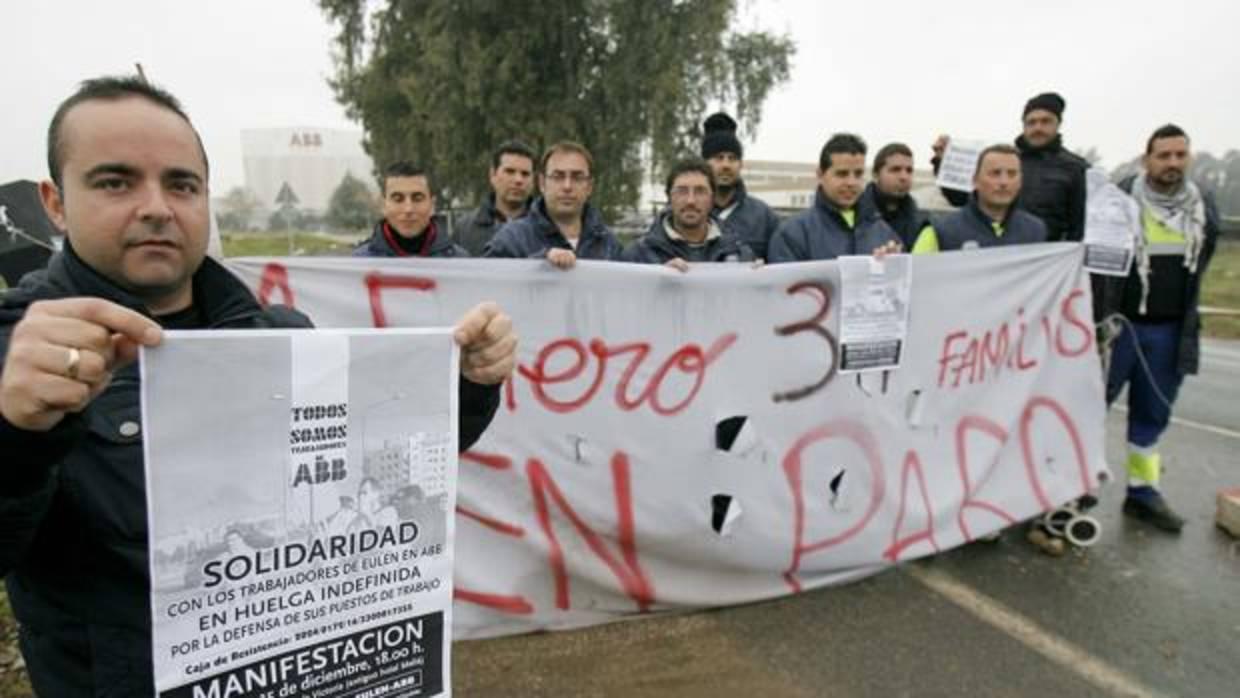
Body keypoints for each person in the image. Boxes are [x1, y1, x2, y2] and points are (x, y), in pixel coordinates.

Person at [0, 75, 518, 695]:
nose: (157, 207)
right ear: (55, 202)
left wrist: (466, 386)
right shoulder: (18, 353)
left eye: (181, 184)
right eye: (115, 182)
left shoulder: (280, 335)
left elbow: (370, 459)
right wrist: (15, 436)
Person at [1100, 124, 1220, 532]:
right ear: (1146, 159)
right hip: (1120, 329)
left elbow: (1204, 257)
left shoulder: (1202, 207)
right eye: (1163, 155)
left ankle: (1143, 493)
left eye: (1179, 155)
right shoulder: (1119, 201)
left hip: (1170, 332)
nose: (1172, 163)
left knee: (1153, 415)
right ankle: (1072, 489)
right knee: (1089, 408)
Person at [932, 91, 1088, 242]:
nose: (1038, 128)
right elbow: (960, 199)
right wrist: (943, 161)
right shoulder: (1004, 161)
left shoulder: (1076, 169)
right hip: (997, 248)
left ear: (1058, 124)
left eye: (1045, 121)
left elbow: (1081, 227)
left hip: (1048, 255)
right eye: (1031, 122)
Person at [483, 141, 623, 267]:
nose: (567, 186)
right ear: (542, 183)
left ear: (589, 187)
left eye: (577, 177)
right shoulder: (512, 239)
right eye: (558, 177)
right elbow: (488, 280)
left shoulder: (608, 243)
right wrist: (540, 265)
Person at [767, 133, 902, 262]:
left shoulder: (884, 234)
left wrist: (893, 266)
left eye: (858, 174)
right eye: (842, 174)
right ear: (820, 175)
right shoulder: (793, 234)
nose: (851, 182)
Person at [912, 144, 1048, 252]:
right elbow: (916, 275)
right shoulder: (939, 231)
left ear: (1020, 181)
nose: (1004, 182)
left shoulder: (1036, 231)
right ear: (975, 180)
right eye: (995, 173)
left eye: (1012, 174)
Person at [624, 158, 755, 269]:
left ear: (712, 198)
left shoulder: (740, 255)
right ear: (669, 197)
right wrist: (660, 279)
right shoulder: (639, 256)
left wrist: (758, 279)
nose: (690, 201)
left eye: (700, 191)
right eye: (682, 191)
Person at [700, 112, 781, 260]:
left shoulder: (764, 217)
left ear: (741, 164)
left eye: (732, 158)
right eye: (719, 158)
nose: (726, 165)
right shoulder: (685, 211)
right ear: (704, 163)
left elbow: (781, 264)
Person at [353, 162, 468, 257]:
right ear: (384, 205)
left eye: (417, 198)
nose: (408, 209)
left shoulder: (459, 260)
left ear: (432, 205)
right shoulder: (360, 262)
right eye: (398, 199)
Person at [453, 140, 537, 256]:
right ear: (493, 175)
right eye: (510, 171)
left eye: (525, 174)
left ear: (533, 180)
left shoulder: (547, 227)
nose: (518, 180)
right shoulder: (465, 229)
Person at [857, 142, 931, 250]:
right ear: (875, 174)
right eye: (895, 170)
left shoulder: (921, 223)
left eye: (909, 170)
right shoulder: (855, 215)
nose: (904, 177)